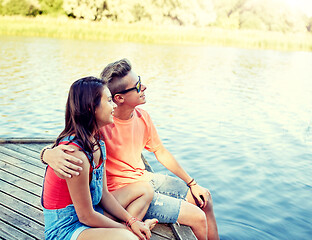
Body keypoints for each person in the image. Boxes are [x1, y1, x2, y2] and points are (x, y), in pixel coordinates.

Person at [41, 60, 219, 240]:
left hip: (132, 187)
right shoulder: (95, 134)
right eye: (138, 86)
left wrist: (192, 183)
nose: (145, 88)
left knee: (203, 199)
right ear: (118, 98)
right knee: (196, 217)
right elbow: (69, 140)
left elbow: (159, 151)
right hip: (79, 218)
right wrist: (47, 154)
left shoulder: (101, 138)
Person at [41, 76, 157, 240]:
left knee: (144, 189)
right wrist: (127, 230)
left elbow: (104, 194)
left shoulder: (97, 142)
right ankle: (128, 233)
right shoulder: (75, 155)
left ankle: (129, 230)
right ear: (91, 108)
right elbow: (86, 216)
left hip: (92, 211)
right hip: (66, 228)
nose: (114, 105)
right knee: (128, 238)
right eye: (109, 100)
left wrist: (131, 222)